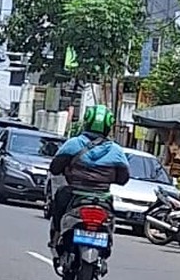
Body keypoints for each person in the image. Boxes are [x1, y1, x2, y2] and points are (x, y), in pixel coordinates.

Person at [47, 104, 129, 248]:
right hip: (102, 197)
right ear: (108, 126)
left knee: (59, 198)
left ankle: (56, 236)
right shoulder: (116, 151)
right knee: (111, 217)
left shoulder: (73, 144)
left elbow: (55, 168)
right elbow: (123, 179)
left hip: (74, 194)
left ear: (87, 122)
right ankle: (108, 242)